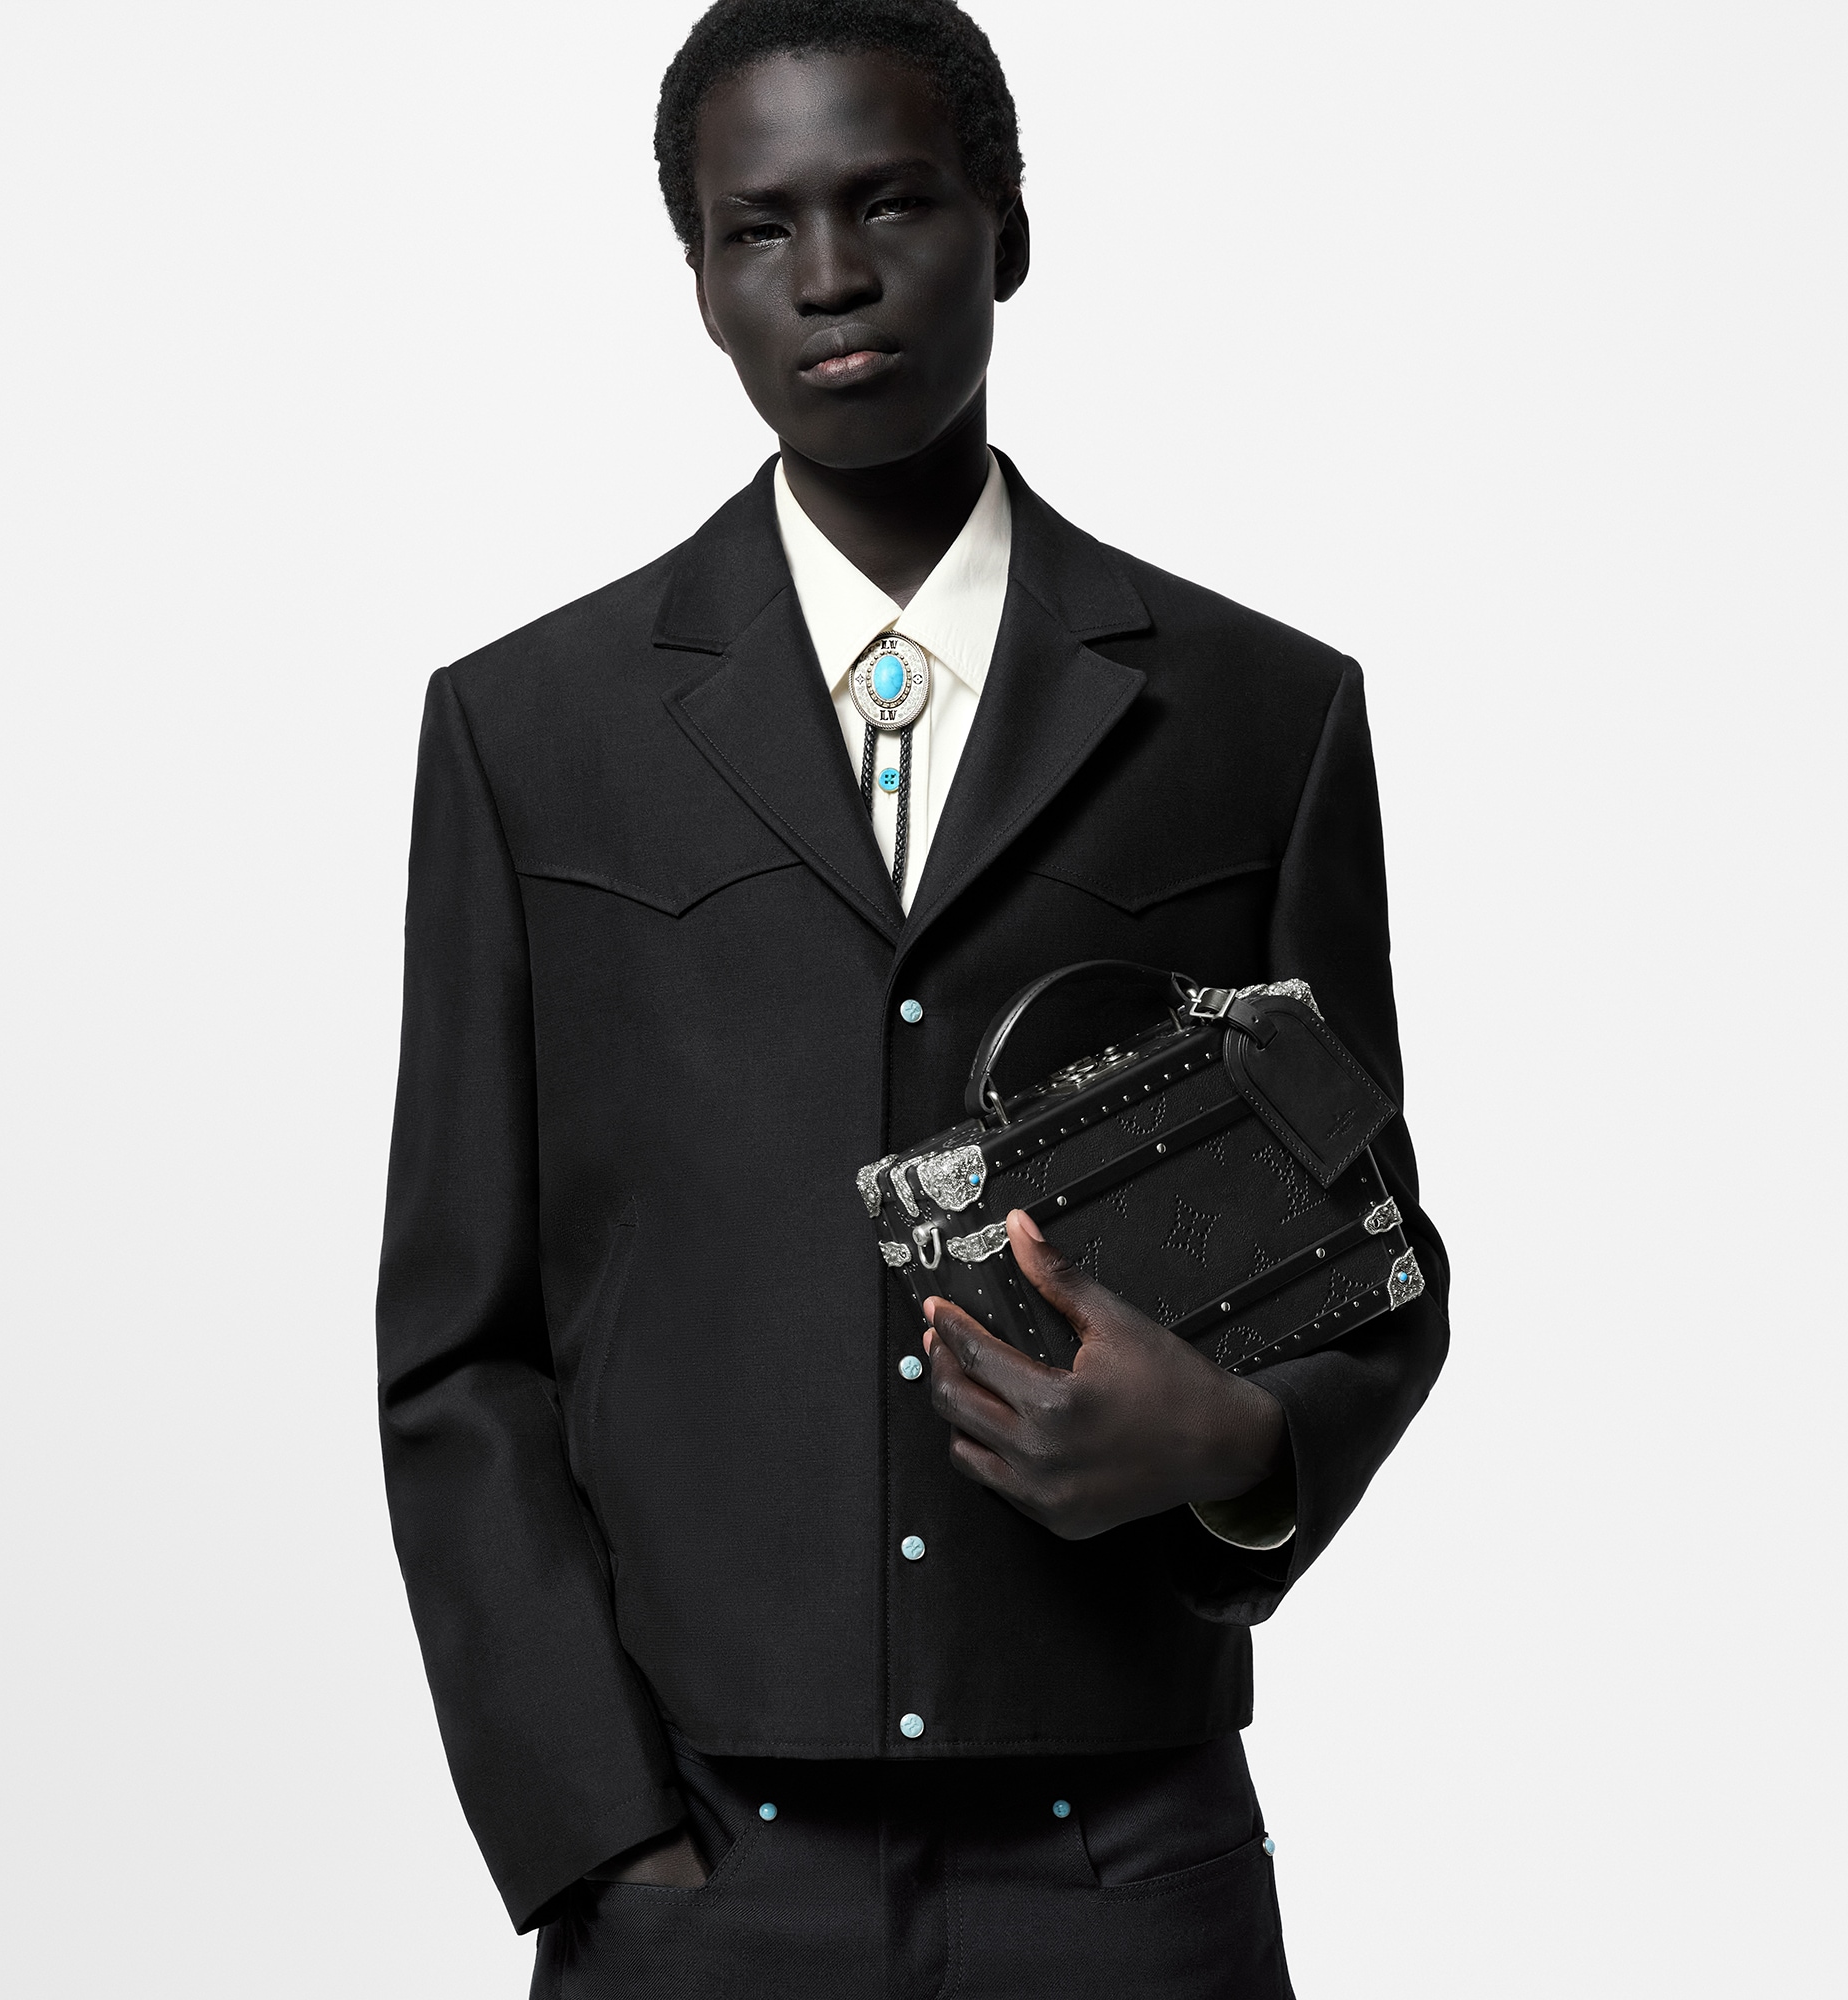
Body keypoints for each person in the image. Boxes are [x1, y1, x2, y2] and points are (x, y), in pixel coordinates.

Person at [376, 2, 1449, 1993]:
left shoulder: (1257, 717)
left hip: (1127, 1862)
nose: (831, 275)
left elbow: (1377, 1268)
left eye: (889, 203)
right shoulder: (531, 734)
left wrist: (1235, 1439)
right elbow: (460, 1348)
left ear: (1006, 228)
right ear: (697, 279)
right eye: (757, 228)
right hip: (702, 1870)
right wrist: (598, 1839)